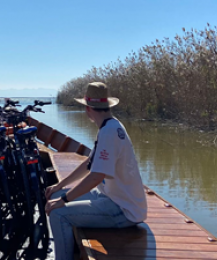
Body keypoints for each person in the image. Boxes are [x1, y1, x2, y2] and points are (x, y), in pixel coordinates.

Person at [45, 82, 147, 260]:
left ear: (88, 109)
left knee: (58, 213)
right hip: (109, 197)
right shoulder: (111, 126)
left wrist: (63, 201)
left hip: (123, 210)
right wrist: (58, 187)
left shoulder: (108, 132)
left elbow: (96, 176)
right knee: (57, 196)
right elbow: (88, 164)